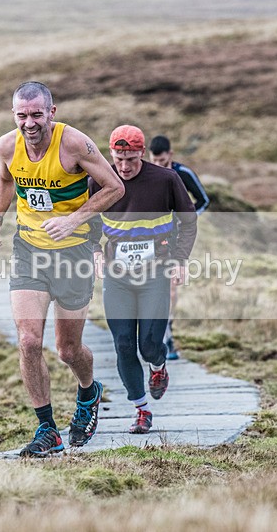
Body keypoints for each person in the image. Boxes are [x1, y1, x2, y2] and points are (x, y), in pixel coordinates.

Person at [0, 81, 124, 457]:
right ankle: (47, 429)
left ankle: (89, 392)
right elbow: (5, 179)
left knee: (67, 349)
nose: (29, 123)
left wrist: (75, 220)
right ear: (14, 114)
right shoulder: (6, 146)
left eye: (37, 115)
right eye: (22, 115)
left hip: (73, 253)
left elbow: (115, 187)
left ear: (52, 112)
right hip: (29, 249)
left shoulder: (75, 143)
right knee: (28, 341)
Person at [91, 125, 197, 434]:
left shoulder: (166, 180)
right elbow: (87, 224)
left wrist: (179, 259)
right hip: (118, 276)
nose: (124, 167)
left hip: (155, 274)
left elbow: (188, 221)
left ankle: (158, 366)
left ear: (142, 153)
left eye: (131, 160)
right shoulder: (98, 181)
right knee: (123, 344)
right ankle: (141, 410)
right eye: (118, 159)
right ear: (111, 154)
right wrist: (95, 253)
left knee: (150, 344)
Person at [148, 135, 209, 360]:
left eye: (162, 162)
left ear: (170, 156)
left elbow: (203, 200)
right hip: (147, 239)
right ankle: (150, 335)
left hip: (174, 240)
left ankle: (167, 335)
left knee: (171, 289)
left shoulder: (183, 174)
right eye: (154, 161)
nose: (158, 166)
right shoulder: (143, 173)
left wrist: (187, 221)